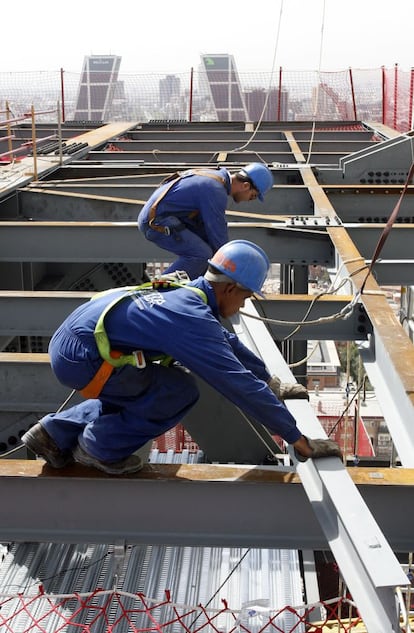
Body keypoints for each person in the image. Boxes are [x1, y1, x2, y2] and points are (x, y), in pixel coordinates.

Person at [22, 239, 341, 475]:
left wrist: (270, 382)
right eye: (244, 297)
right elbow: (238, 385)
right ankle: (99, 449)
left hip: (74, 341)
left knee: (141, 388)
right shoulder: (191, 319)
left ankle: (52, 433)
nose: (243, 306)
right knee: (179, 390)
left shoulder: (187, 291)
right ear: (230, 288)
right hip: (84, 356)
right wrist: (300, 441)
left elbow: (226, 342)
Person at [137, 163, 274, 279]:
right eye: (253, 196)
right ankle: (160, 291)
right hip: (156, 222)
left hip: (166, 217)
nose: (250, 199)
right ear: (245, 186)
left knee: (209, 251)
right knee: (201, 255)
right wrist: (232, 267)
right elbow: (217, 231)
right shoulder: (214, 190)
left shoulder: (215, 178)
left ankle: (197, 290)